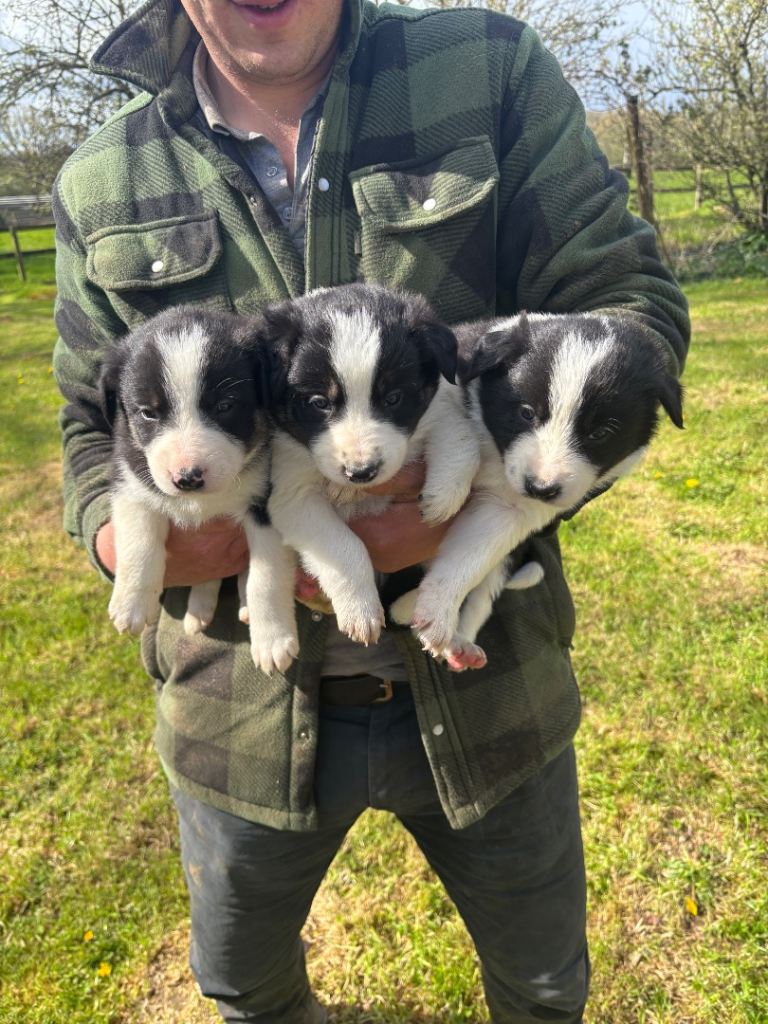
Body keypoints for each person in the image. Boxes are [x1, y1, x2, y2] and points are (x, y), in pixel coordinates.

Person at [52, 1, 689, 1021]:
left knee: (542, 989)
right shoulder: (100, 177)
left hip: (494, 683)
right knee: (244, 986)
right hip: (235, 702)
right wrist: (127, 537)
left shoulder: (484, 71)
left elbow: (628, 310)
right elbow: (89, 422)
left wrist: (498, 500)